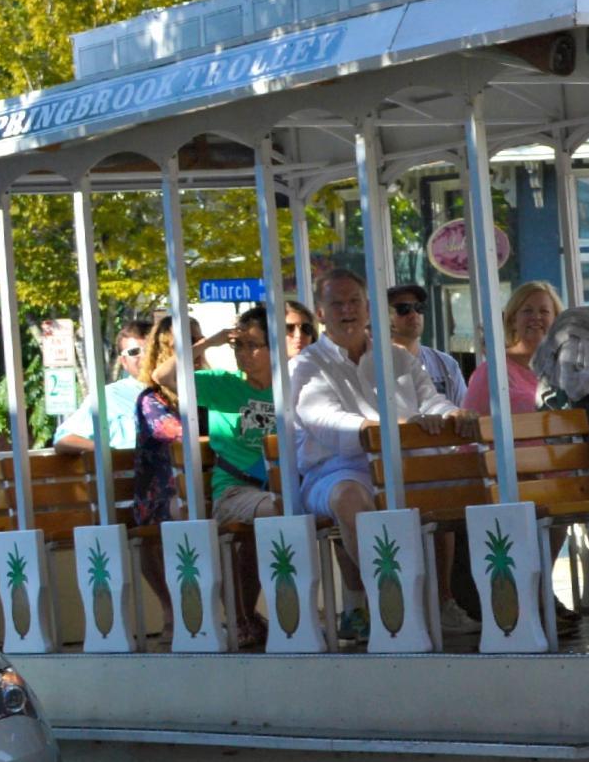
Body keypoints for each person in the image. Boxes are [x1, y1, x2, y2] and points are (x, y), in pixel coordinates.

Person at [294, 270, 474, 644]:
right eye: (337, 303)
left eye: (354, 302)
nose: (347, 310)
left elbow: (431, 399)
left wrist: (453, 413)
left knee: (462, 480)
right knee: (350, 497)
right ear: (321, 313)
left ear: (368, 307)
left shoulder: (397, 357)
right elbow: (323, 419)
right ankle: (393, 605)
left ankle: (444, 602)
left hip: (403, 463)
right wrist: (394, 426)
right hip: (337, 469)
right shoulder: (305, 365)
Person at [134, 315, 281, 648]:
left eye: (253, 345)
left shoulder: (289, 384)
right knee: (276, 513)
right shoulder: (220, 383)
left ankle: (247, 616)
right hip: (233, 490)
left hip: (278, 487)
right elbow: (163, 376)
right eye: (238, 345)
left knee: (284, 512)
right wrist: (210, 342)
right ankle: (270, 616)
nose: (244, 353)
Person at [54, 318, 153, 453]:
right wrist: (110, 454)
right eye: (134, 352)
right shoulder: (108, 397)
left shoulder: (185, 388)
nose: (145, 357)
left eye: (151, 349)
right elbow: (64, 439)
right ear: (123, 361)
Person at [462, 281, 560, 415]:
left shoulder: (564, 368)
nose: (536, 317)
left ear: (556, 320)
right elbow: (468, 425)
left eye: (544, 311)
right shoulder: (492, 371)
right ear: (513, 320)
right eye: (527, 311)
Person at [387, 283, 465, 403]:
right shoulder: (374, 366)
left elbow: (463, 412)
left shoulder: (447, 364)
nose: (414, 314)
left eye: (419, 307)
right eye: (403, 309)